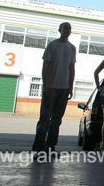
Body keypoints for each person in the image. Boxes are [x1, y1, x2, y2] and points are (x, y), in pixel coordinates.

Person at [32, 22, 76, 155]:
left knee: (57, 120)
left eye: (69, 28)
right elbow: (45, 66)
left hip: (64, 89)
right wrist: (46, 85)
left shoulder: (72, 48)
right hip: (50, 88)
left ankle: (50, 148)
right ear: (60, 30)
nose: (67, 30)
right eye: (65, 28)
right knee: (45, 118)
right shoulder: (52, 45)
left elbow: (71, 68)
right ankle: (39, 148)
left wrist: (70, 87)